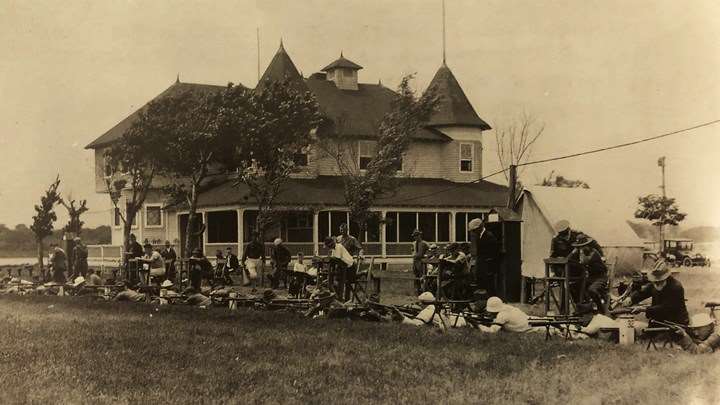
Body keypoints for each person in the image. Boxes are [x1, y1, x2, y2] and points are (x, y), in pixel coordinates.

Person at [624, 259, 689, 326]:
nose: (656, 283)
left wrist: (644, 309)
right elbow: (643, 293)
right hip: (658, 320)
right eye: (655, 281)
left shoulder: (676, 288)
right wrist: (631, 299)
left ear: (666, 277)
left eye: (659, 281)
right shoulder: (654, 284)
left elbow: (666, 308)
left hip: (675, 323)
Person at [568, 235, 608, 314]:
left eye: (583, 246)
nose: (581, 248)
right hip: (590, 278)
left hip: (601, 277)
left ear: (587, 245)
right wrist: (573, 252)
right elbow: (568, 259)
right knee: (572, 287)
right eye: (579, 247)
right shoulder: (583, 252)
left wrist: (581, 251)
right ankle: (582, 307)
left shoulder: (594, 252)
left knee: (592, 290)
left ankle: (600, 309)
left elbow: (583, 261)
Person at [468, 218, 500, 295]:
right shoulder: (479, 236)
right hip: (483, 265)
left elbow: (494, 251)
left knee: (490, 286)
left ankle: (493, 300)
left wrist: (488, 261)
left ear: (480, 227)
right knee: (484, 286)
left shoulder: (489, 236)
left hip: (488, 266)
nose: (473, 232)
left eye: (474, 230)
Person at [324, 236, 355, 301]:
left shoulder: (339, 247)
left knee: (338, 278)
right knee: (332, 278)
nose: (329, 247)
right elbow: (333, 260)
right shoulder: (333, 249)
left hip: (350, 268)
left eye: (329, 246)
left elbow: (337, 259)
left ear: (332, 243)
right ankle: (336, 295)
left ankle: (339, 297)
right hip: (343, 267)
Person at [411, 229, 430, 295]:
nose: (416, 237)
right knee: (416, 276)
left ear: (420, 235)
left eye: (417, 235)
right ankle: (417, 291)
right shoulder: (414, 243)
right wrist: (414, 256)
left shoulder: (424, 243)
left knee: (422, 276)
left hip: (422, 262)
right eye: (414, 236)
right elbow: (413, 252)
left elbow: (430, 251)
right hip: (415, 261)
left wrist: (426, 256)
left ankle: (424, 290)